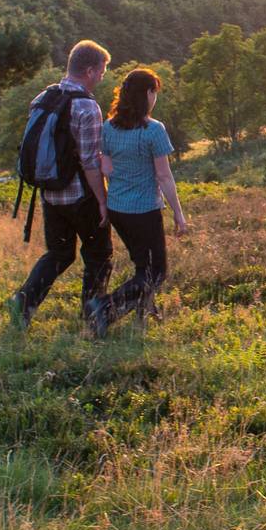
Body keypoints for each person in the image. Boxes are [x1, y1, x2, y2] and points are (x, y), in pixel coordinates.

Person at [10, 40, 113, 328]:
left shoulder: (44, 97)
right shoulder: (87, 107)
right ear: (89, 71)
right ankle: (93, 317)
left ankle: (23, 301)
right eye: (101, 71)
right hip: (80, 196)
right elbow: (90, 161)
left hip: (49, 194)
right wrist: (102, 201)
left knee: (59, 253)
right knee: (98, 254)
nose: (102, 77)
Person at [88, 67, 186, 333]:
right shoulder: (153, 130)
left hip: (118, 209)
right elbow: (164, 176)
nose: (155, 98)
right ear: (148, 94)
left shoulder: (109, 127)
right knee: (156, 272)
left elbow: (106, 168)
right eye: (155, 92)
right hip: (144, 210)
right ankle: (103, 308)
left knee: (144, 265)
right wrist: (178, 213)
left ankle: (143, 315)